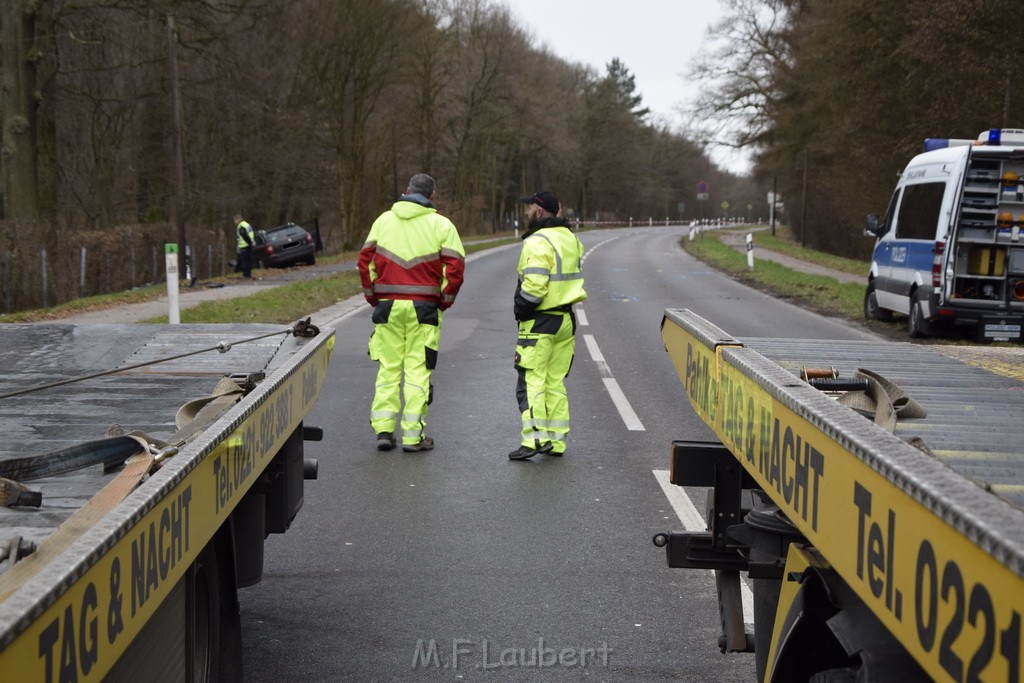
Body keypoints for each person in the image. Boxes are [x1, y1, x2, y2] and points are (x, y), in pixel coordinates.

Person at [358, 174, 465, 453]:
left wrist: (373, 296)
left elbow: (365, 261)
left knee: (389, 369)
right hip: (424, 308)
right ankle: (413, 437)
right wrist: (443, 301)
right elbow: (454, 268)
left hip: (387, 307)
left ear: (407, 191)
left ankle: (383, 430)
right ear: (432, 196)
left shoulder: (383, 221)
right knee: (418, 371)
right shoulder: (441, 225)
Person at [509, 191, 587, 461]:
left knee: (531, 381)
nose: (527, 211)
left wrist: (520, 309)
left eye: (530, 206)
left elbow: (534, 288)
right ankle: (556, 441)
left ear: (540, 211)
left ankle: (533, 440)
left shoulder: (537, 241)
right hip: (565, 320)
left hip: (540, 321)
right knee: (555, 382)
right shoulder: (571, 238)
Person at [234, 213, 255, 278]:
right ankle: (248, 274)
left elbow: (245, 236)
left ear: (237, 219)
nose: (234, 222)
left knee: (244, 261)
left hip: (244, 245)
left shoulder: (241, 226)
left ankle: (246, 275)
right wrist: (251, 242)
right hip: (249, 245)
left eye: (234, 220)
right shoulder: (246, 224)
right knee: (248, 260)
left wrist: (250, 242)